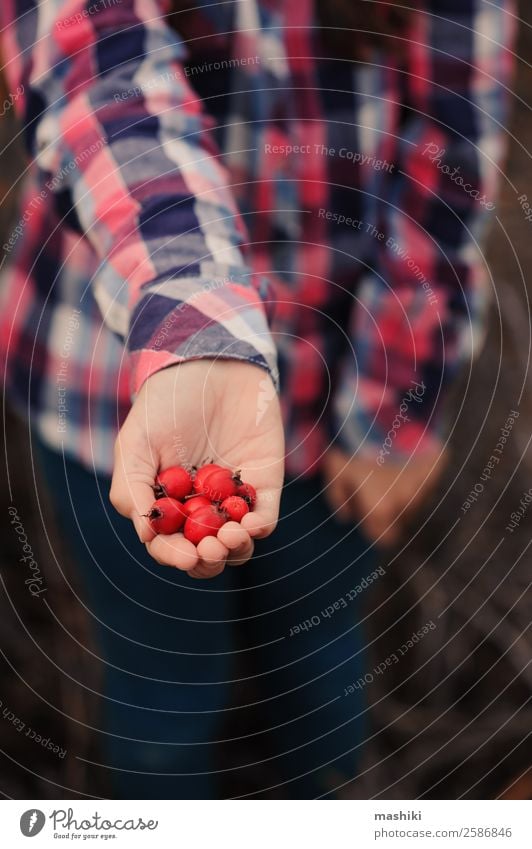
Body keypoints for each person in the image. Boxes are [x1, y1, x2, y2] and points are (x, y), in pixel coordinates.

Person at [0, 0, 514, 798]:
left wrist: (392, 405)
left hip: (338, 387)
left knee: (318, 663)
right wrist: (200, 328)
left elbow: (449, 153)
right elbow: (98, 79)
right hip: (108, 389)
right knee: (161, 687)